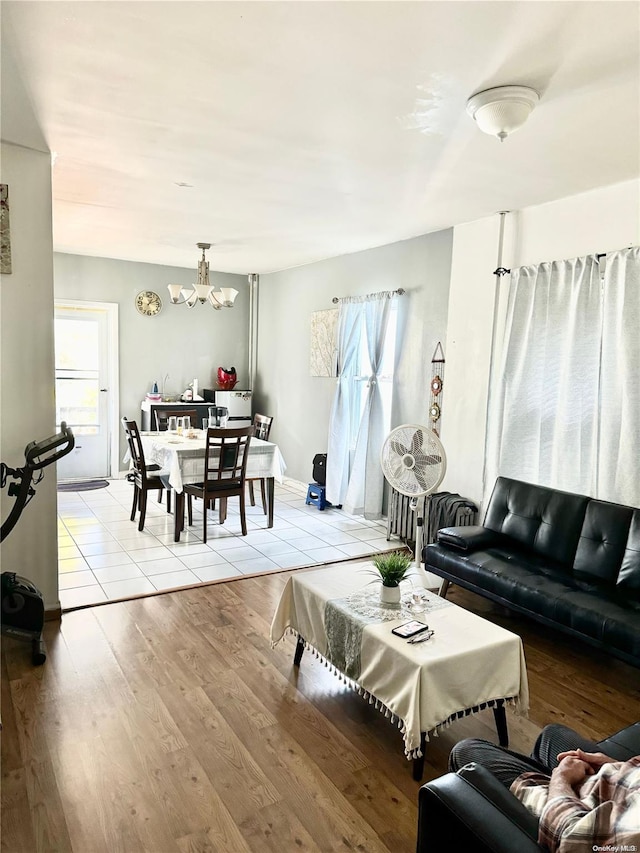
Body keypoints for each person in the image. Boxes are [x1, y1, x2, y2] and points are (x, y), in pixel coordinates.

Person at [448, 724, 640, 852]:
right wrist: (618, 765)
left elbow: (573, 838)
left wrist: (560, 780)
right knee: (552, 735)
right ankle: (530, 786)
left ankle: (528, 803)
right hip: (619, 782)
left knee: (465, 751)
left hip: (575, 815)